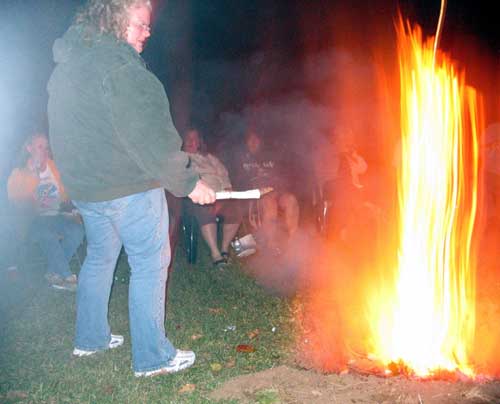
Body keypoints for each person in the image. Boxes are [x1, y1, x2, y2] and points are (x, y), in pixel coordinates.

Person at [47, 0, 215, 378]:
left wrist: (73, 183)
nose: (147, 33)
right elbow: (152, 138)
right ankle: (153, 357)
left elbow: (61, 131)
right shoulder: (121, 68)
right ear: (115, 20)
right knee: (150, 263)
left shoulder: (69, 66)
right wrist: (189, 183)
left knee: (99, 257)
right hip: (128, 187)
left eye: (149, 26)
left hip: (88, 190)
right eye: (140, 24)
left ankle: (90, 338)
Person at [7, 133, 84, 291]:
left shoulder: (53, 167)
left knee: (77, 231)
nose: (44, 150)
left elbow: (64, 194)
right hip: (31, 220)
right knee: (47, 234)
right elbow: (17, 201)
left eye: (46, 147)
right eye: (40, 147)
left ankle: (52, 272)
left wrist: (71, 208)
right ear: (29, 148)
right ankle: (67, 276)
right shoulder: (19, 173)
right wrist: (34, 175)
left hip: (56, 215)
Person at [182, 128, 243, 267]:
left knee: (235, 209)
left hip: (221, 195)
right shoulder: (182, 158)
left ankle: (224, 249)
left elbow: (223, 173)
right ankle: (215, 254)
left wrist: (227, 188)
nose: (191, 141)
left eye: (194, 138)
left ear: (199, 142)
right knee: (206, 210)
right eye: (188, 138)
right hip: (199, 196)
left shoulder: (209, 157)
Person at [230, 129, 300, 246]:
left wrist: (279, 187)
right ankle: (270, 243)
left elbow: (281, 177)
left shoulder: (270, 156)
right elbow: (237, 181)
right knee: (269, 203)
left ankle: (293, 241)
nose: (254, 142)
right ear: (246, 142)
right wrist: (254, 190)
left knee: (291, 199)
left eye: (256, 139)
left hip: (275, 191)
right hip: (255, 194)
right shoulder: (241, 159)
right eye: (250, 140)